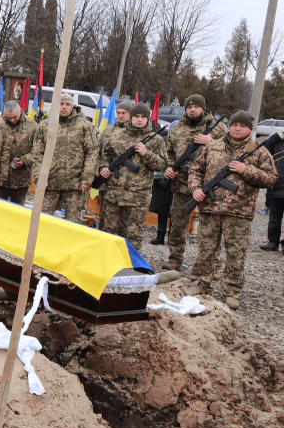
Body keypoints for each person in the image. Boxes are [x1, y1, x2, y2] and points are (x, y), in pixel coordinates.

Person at [187, 111, 277, 309]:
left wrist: (247, 170)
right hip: (210, 208)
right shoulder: (213, 146)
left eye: (242, 126)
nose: (238, 128)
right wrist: (195, 190)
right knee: (205, 250)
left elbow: (271, 178)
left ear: (249, 129)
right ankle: (200, 283)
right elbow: (195, 170)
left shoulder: (259, 151)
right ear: (230, 126)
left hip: (239, 212)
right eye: (235, 124)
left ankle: (232, 291)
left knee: (236, 254)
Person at [161, 94, 228, 270]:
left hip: (209, 185)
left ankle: (212, 266)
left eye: (196, 107)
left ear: (203, 109)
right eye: (189, 107)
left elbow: (231, 153)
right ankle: (175, 259)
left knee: (211, 229)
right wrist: (168, 168)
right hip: (181, 184)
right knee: (177, 225)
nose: (192, 110)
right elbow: (170, 154)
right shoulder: (176, 129)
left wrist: (211, 141)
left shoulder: (218, 128)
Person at [95, 103, 167, 249]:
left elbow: (162, 165)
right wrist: (103, 168)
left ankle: (130, 267)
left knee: (132, 236)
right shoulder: (116, 135)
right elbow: (106, 156)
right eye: (136, 116)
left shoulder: (156, 140)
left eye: (143, 117)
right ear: (131, 117)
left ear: (148, 119)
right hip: (113, 194)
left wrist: (146, 153)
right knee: (108, 233)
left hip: (137, 197)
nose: (139, 120)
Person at [25, 93, 98, 222]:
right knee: (42, 220)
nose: (64, 107)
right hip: (50, 183)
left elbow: (92, 151)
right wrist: (40, 177)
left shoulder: (84, 126)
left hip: (74, 185)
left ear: (73, 106)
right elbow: (37, 153)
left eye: (67, 104)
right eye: (61, 104)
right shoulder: (45, 126)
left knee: (72, 222)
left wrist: (86, 179)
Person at [0, 101, 38, 204]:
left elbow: (38, 149)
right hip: (1, 177)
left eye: (15, 117)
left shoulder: (32, 126)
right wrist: (3, 142)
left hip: (21, 178)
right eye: (9, 118)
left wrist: (25, 160)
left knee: (18, 209)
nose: (12, 120)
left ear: (21, 111)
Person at [260, 134, 284, 252]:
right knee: (274, 218)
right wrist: (276, 136)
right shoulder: (275, 142)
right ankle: (273, 242)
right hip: (276, 187)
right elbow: (262, 150)